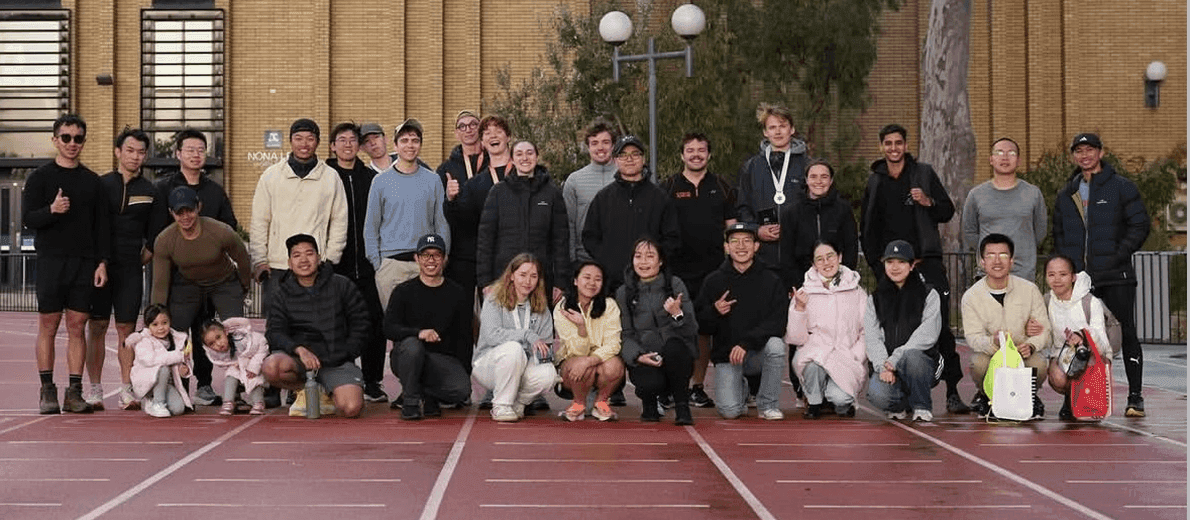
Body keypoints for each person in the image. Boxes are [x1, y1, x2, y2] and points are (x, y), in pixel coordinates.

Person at [860, 123, 968, 414]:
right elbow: (867, 227)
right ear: (882, 147)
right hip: (892, 268)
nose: (893, 148)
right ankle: (896, 385)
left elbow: (946, 210)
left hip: (926, 262)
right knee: (892, 325)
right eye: (888, 144)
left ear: (906, 145)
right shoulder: (875, 181)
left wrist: (928, 201)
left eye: (898, 143)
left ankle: (952, 390)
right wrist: (878, 265)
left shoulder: (923, 173)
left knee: (940, 326)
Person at [1052, 132, 1150, 417]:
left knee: (1126, 333)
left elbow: (1139, 226)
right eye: (1079, 151)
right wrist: (1069, 270)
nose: (1085, 155)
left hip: (1116, 276)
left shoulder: (1121, 187)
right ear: (1074, 156)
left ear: (1100, 153)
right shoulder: (1066, 193)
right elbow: (1058, 234)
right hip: (1080, 281)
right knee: (1076, 338)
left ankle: (1135, 397)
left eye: (1090, 150)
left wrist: (1116, 256)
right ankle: (1072, 400)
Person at [23, 113, 110, 414]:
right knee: (48, 325)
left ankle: (74, 392)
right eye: (66, 137)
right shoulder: (39, 178)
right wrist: (52, 209)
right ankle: (47, 390)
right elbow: (28, 219)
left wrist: (102, 263)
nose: (72, 143)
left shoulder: (92, 182)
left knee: (78, 326)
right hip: (51, 261)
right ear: (55, 140)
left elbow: (102, 227)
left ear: (84, 141)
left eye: (78, 138)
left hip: (84, 263)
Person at [147, 127, 238, 407]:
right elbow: (154, 234)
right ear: (177, 154)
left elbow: (230, 228)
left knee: (206, 327)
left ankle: (206, 384)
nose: (196, 154)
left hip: (210, 276)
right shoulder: (163, 189)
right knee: (176, 330)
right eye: (190, 150)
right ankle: (177, 384)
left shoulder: (214, 190)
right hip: (176, 276)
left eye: (201, 149)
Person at [660, 132, 736, 409]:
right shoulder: (667, 186)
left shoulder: (723, 186)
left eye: (701, 150)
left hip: (713, 272)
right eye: (690, 150)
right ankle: (671, 387)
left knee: (704, 329)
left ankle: (697, 386)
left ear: (709, 154)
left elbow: (733, 228)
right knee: (675, 328)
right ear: (682, 155)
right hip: (677, 272)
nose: (695, 155)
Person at [261, 234, 369, 419]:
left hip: (337, 361)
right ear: (289, 262)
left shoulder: (342, 285)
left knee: (351, 408)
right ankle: (305, 390)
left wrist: (346, 352)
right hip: (301, 362)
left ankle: (330, 391)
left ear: (319, 258)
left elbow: (362, 324)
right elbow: (274, 332)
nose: (304, 260)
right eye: (297, 255)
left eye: (309, 253)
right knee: (272, 367)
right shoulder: (282, 293)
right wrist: (299, 350)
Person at [87, 127, 155, 411]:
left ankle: (127, 388)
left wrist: (142, 258)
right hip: (100, 266)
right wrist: (97, 261)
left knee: (127, 329)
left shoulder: (150, 191)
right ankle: (95, 389)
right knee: (98, 326)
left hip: (130, 268)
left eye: (141, 152)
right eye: (130, 150)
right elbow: (89, 227)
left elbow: (154, 234)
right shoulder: (101, 186)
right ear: (118, 152)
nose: (135, 157)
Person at [150, 187, 252, 374]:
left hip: (223, 282)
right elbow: (160, 283)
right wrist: (155, 316)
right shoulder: (165, 240)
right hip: (188, 284)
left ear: (199, 207)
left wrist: (243, 286)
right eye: (179, 212)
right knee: (175, 331)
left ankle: (240, 384)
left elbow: (243, 259)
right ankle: (179, 383)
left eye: (189, 210)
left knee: (238, 331)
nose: (185, 216)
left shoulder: (221, 231)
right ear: (171, 213)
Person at [250, 118, 349, 311]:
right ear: (291, 141)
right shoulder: (271, 176)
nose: (304, 144)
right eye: (298, 138)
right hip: (278, 266)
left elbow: (339, 220)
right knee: (277, 326)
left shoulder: (330, 177)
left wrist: (331, 258)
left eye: (310, 138)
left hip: (315, 266)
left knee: (315, 325)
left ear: (318, 142)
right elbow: (260, 221)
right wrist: (260, 259)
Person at [696, 222, 789, 420]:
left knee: (776, 345)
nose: (741, 246)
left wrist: (746, 343)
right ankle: (743, 388)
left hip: (757, 352)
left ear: (756, 246)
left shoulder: (771, 280)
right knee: (731, 412)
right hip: (728, 356)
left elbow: (778, 323)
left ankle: (768, 404)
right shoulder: (713, 281)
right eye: (735, 241)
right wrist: (714, 311)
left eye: (747, 241)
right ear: (726, 247)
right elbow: (701, 325)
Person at [324, 122, 387, 403]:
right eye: (342, 140)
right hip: (336, 265)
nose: (348, 144)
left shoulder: (370, 177)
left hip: (370, 264)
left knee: (374, 322)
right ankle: (340, 377)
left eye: (353, 140)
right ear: (332, 146)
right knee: (337, 324)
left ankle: (372, 380)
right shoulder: (324, 176)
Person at [960, 233, 1051, 420]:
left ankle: (1030, 396)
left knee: (1040, 364)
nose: (997, 261)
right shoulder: (971, 297)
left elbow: (1045, 330)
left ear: (1012, 261)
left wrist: (1031, 345)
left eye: (1003, 255)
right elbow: (973, 336)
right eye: (990, 255)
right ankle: (987, 395)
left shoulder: (1030, 290)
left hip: (1022, 351)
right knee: (978, 363)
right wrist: (992, 342)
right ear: (982, 261)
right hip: (992, 353)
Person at [363, 118, 451, 311]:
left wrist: (442, 258)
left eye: (415, 140)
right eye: (404, 140)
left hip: (425, 263)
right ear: (395, 145)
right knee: (397, 328)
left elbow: (441, 222)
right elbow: (371, 226)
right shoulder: (381, 181)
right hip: (391, 266)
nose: (410, 145)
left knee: (427, 324)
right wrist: (379, 265)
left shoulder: (433, 180)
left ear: (420, 145)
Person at [383, 234, 473, 420]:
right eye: (425, 255)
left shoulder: (457, 293)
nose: (431, 260)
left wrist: (464, 372)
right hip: (407, 356)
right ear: (417, 258)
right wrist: (418, 333)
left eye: (436, 255)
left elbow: (464, 336)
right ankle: (411, 401)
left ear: (445, 259)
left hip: (439, 360)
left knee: (461, 389)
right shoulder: (403, 291)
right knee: (413, 346)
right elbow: (389, 328)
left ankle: (426, 393)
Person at [582, 135, 681, 291]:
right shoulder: (603, 198)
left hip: (651, 285)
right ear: (615, 160)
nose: (629, 159)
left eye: (635, 154)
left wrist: (652, 263)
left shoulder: (660, 198)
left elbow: (672, 238)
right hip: (612, 284)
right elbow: (589, 237)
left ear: (643, 159)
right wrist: (608, 261)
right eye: (623, 155)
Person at [616, 238, 698, 424]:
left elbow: (692, 329)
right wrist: (637, 356)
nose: (643, 262)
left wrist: (677, 314)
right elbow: (624, 334)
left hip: (675, 357)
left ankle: (682, 407)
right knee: (649, 383)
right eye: (638, 256)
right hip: (646, 355)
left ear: (660, 261)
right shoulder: (624, 292)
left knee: (675, 347)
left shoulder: (675, 285)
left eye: (650, 256)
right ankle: (649, 405)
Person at [476, 140, 569, 300]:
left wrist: (560, 282)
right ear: (512, 159)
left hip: (540, 279)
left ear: (537, 156)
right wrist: (485, 281)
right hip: (503, 277)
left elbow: (560, 241)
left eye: (529, 153)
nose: (524, 158)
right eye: (519, 154)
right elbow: (486, 239)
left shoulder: (552, 193)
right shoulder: (498, 192)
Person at [785, 241, 867, 418]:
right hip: (815, 355)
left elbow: (865, 330)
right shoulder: (804, 292)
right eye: (819, 259)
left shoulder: (857, 292)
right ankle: (814, 402)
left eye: (830, 256)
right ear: (813, 264)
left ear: (840, 257)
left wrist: (856, 355)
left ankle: (842, 401)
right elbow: (795, 338)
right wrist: (799, 309)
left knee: (839, 398)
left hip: (845, 356)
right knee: (813, 367)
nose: (826, 263)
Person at [473, 254, 558, 422]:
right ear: (511, 275)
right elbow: (491, 336)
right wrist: (527, 335)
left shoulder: (541, 307)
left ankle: (519, 403)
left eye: (533, 276)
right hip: (489, 365)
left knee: (549, 373)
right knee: (513, 348)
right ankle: (501, 405)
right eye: (523, 274)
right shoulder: (494, 300)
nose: (528, 281)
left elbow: (545, 346)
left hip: (523, 363)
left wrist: (546, 354)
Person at [864, 240, 942, 421]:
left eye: (901, 262)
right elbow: (873, 337)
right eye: (890, 262)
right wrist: (884, 365)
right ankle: (899, 404)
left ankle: (922, 407)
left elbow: (927, 335)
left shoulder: (929, 294)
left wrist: (896, 358)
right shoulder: (874, 299)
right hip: (888, 367)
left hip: (920, 364)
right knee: (877, 394)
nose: (895, 267)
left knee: (913, 357)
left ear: (912, 265)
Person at [961, 137, 1048, 279]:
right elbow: (970, 232)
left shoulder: (1033, 193)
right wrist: (991, 252)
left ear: (1019, 160)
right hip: (988, 274)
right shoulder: (976, 194)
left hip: (1023, 274)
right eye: (999, 153)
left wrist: (1023, 249)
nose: (1005, 157)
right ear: (991, 159)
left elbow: (1040, 232)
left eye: (1011, 153)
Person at [736, 103, 809, 267]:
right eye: (772, 127)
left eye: (782, 126)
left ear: (792, 129)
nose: (777, 131)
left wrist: (793, 229)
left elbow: (814, 206)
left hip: (799, 255)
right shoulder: (752, 167)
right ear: (765, 132)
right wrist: (756, 230)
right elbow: (743, 207)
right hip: (762, 257)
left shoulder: (807, 166)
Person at [1042, 254, 1114, 420]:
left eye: (1063, 274)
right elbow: (1046, 339)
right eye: (1051, 275)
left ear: (1073, 276)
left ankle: (1086, 400)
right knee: (1058, 377)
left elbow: (1103, 345)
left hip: (1091, 354)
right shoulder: (1047, 301)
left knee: (1083, 367)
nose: (1057, 280)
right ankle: (1071, 399)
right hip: (1062, 354)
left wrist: (1083, 335)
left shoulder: (1090, 302)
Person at [554, 261, 624, 422]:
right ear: (575, 281)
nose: (592, 283)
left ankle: (601, 403)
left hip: (600, 360)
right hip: (572, 361)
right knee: (580, 364)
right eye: (587, 277)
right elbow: (575, 351)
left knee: (615, 366)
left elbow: (614, 344)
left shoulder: (610, 305)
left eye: (598, 279)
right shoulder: (562, 307)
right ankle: (578, 404)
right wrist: (581, 327)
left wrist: (591, 360)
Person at [778, 160, 858, 290]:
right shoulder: (791, 213)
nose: (819, 181)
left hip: (839, 283)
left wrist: (842, 279)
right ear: (806, 180)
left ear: (831, 181)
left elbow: (851, 248)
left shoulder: (843, 210)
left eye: (824, 177)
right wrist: (796, 285)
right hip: (803, 284)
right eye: (813, 177)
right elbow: (786, 254)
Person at [437, 110, 489, 309]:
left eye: (473, 124)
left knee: (493, 314)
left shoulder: (494, 163)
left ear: (480, 129)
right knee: (461, 312)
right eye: (462, 126)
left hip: (490, 251)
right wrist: (449, 198)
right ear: (456, 133)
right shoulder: (446, 169)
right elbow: (440, 213)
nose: (468, 129)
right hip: (460, 254)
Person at [563, 118, 619, 263]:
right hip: (585, 260)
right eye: (594, 143)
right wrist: (571, 260)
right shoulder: (574, 180)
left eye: (605, 142)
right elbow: (569, 224)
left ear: (613, 146)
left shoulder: (626, 176)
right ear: (588, 147)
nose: (600, 148)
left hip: (621, 258)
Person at [127, 304, 192, 418]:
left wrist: (184, 370)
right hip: (147, 381)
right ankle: (157, 403)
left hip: (165, 383)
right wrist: (178, 356)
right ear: (148, 326)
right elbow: (150, 360)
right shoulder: (143, 340)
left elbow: (182, 360)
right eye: (155, 324)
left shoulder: (176, 339)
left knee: (178, 409)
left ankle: (153, 400)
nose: (161, 328)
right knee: (162, 368)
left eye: (164, 323)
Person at [200, 317, 268, 416]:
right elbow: (225, 364)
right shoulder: (218, 354)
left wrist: (254, 366)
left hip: (252, 365)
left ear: (226, 332)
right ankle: (228, 402)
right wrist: (236, 366)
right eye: (212, 344)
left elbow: (261, 347)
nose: (218, 344)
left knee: (253, 378)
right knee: (230, 375)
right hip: (238, 369)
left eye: (218, 337)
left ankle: (258, 403)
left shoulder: (242, 339)